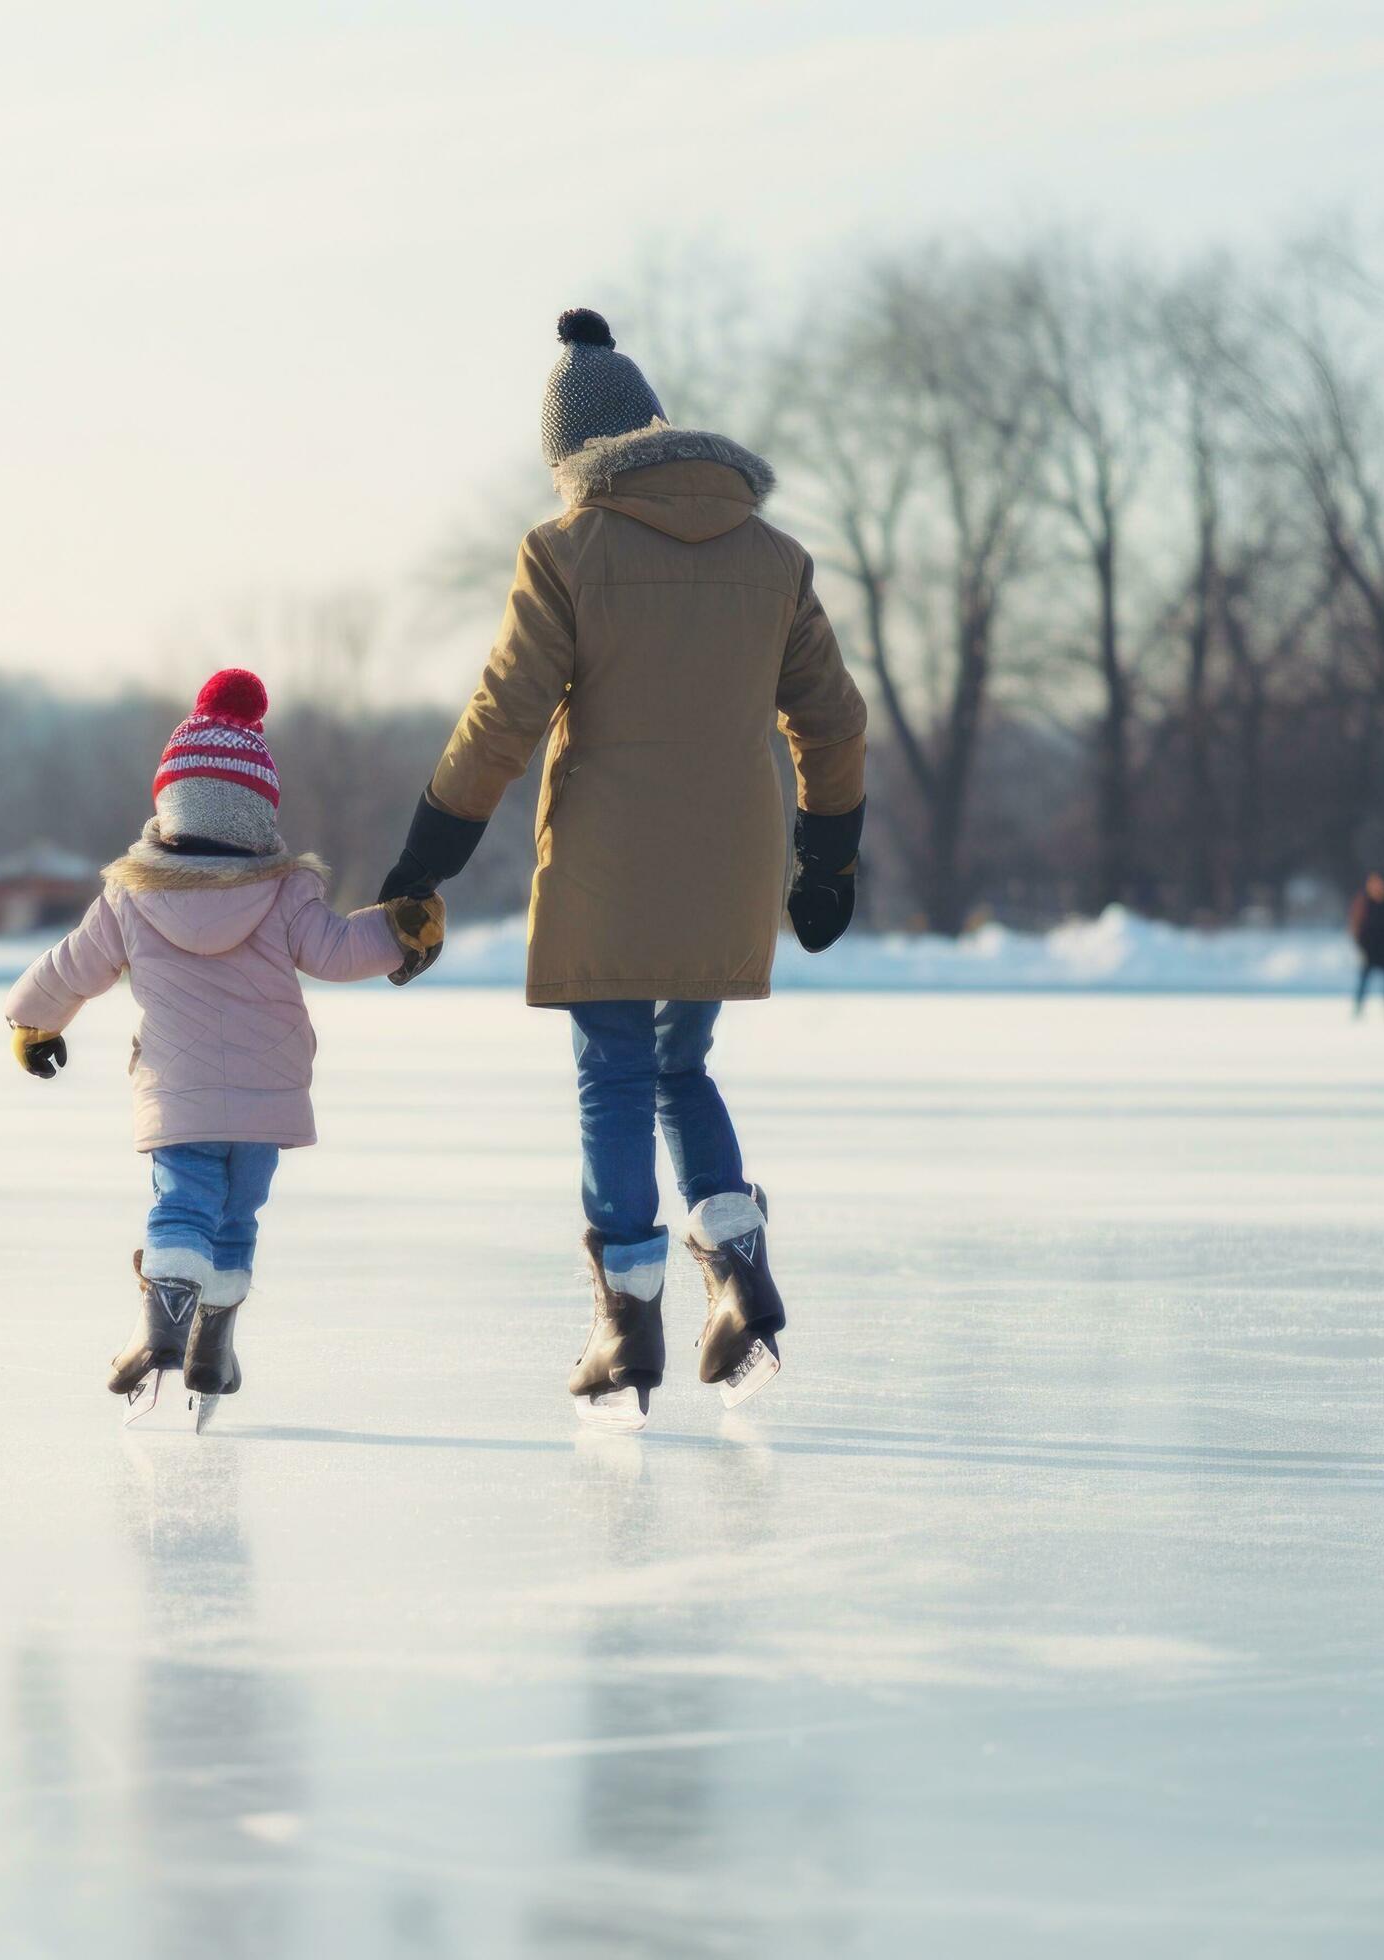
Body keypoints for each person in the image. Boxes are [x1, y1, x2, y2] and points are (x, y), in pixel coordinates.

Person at [375, 309, 869, 1429]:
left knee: (612, 1070)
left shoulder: (567, 551)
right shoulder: (775, 558)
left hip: (608, 858)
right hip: (731, 861)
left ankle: (627, 1318)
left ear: (572, 459)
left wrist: (426, 856)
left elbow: (502, 722)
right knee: (682, 1066)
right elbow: (834, 724)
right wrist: (828, 855)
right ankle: (739, 1270)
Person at [5, 670, 441, 1426]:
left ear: (168, 803)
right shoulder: (286, 891)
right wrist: (400, 929)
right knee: (236, 1219)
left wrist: (33, 1021)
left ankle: (163, 1321)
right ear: (258, 815)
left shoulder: (131, 894)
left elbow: (76, 964)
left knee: (182, 1207)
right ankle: (213, 1342)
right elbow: (337, 953)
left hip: (180, 1096)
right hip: (267, 1100)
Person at [1350, 871, 1384, 1019]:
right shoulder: (1365, 903)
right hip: (1370, 950)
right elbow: (1356, 926)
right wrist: (1361, 945)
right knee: (1364, 982)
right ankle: (1358, 1009)